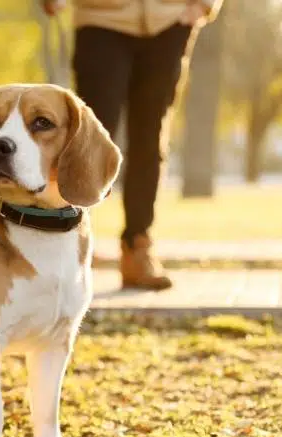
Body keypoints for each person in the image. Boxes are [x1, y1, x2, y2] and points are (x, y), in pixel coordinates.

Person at [43, 0, 223, 290]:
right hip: (101, 19)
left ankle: (138, 247)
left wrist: (202, 5)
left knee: (150, 138)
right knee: (89, 138)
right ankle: (65, 242)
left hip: (169, 21)